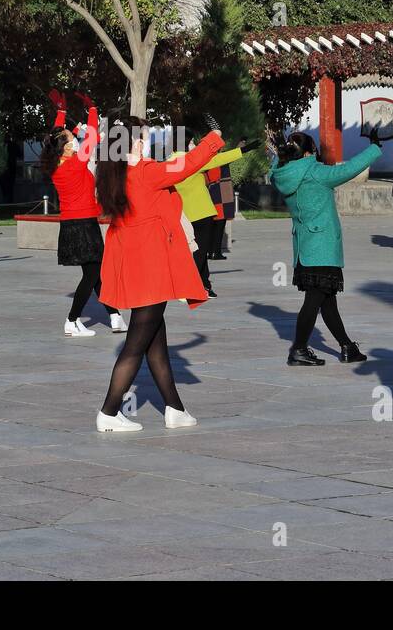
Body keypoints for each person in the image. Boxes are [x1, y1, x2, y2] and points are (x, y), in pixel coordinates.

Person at [94, 117, 223, 432]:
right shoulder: (146, 173)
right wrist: (214, 137)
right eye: (143, 136)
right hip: (151, 270)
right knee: (136, 345)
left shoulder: (116, 175)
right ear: (133, 142)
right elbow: (188, 165)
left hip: (138, 268)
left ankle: (174, 408)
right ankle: (109, 412)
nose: (147, 141)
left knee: (155, 343)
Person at [271, 130, 384, 365]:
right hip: (322, 246)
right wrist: (374, 147)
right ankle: (299, 349)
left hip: (304, 246)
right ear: (310, 152)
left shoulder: (281, 174)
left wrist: (281, 152)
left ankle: (347, 347)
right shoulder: (316, 172)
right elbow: (350, 169)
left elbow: (275, 166)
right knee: (314, 301)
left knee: (327, 300)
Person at [40, 97, 125, 336]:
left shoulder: (57, 165)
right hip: (84, 224)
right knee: (93, 273)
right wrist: (93, 109)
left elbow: (54, 136)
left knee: (94, 272)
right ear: (67, 147)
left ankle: (115, 315)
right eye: (72, 137)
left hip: (72, 224)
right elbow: (93, 137)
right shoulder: (75, 164)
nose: (76, 139)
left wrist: (61, 112)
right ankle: (72, 319)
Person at [171, 130, 260, 296]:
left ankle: (205, 284)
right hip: (202, 213)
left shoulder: (168, 163)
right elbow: (220, 159)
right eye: (192, 143)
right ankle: (188, 286)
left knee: (200, 251)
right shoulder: (194, 160)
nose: (195, 146)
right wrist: (244, 150)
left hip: (181, 215)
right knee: (200, 251)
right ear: (187, 143)